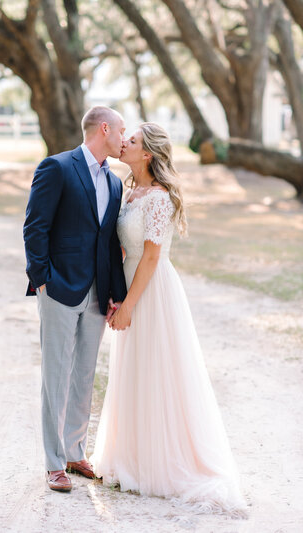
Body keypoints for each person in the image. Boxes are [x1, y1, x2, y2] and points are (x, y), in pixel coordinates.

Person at [91, 123, 247, 517]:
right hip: (129, 286)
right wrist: (115, 294)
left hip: (152, 292)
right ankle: (132, 455)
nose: (123, 143)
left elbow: (151, 257)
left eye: (132, 141)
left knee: (157, 372)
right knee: (135, 372)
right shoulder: (130, 191)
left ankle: (161, 465)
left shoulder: (158, 198)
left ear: (147, 155)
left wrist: (128, 305)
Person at [23, 106, 127, 492]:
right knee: (56, 373)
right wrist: (42, 279)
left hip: (98, 292)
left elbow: (111, 242)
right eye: (121, 131)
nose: (124, 138)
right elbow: (35, 225)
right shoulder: (57, 167)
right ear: (104, 129)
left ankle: (74, 450)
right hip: (59, 288)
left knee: (84, 374)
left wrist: (116, 293)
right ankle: (53, 464)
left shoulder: (115, 183)